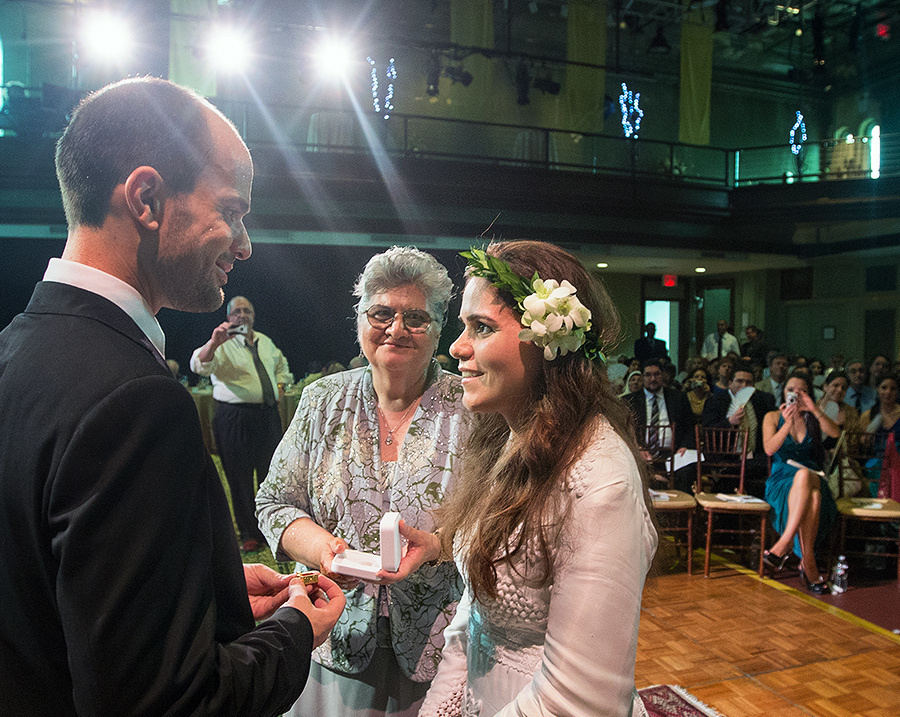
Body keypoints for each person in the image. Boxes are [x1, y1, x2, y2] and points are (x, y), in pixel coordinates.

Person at [0, 77, 345, 715]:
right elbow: (169, 702)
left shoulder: (18, 348)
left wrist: (200, 588)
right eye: (233, 211)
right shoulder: (135, 402)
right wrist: (295, 630)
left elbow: (45, 591)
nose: (244, 246)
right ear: (148, 198)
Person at [413, 241, 657, 717]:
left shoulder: (599, 481)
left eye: (481, 328)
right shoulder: (505, 441)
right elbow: (474, 615)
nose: (457, 348)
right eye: (463, 326)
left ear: (548, 345)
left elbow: (582, 700)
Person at [256, 246, 471, 717]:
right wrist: (321, 549)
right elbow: (274, 503)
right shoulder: (321, 401)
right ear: (359, 321)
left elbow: (496, 522)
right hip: (331, 628)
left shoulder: (470, 408)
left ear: (439, 330)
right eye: (381, 313)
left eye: (416, 318)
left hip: (440, 639)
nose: (396, 329)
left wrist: (435, 546)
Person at [191, 295, 293, 552]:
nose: (243, 315)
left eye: (247, 310)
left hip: (267, 415)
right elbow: (199, 365)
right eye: (237, 311)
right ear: (229, 317)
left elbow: (282, 366)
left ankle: (269, 528)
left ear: (253, 315)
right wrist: (214, 342)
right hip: (235, 417)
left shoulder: (266, 342)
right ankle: (249, 532)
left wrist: (280, 385)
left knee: (271, 473)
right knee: (239, 476)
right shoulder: (222, 343)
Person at [762, 372, 840, 593]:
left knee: (807, 476)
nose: (795, 394)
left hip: (814, 475)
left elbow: (835, 433)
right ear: (783, 392)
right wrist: (787, 424)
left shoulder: (813, 416)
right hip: (782, 480)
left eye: (801, 390)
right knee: (813, 496)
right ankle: (809, 564)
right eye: (790, 390)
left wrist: (813, 409)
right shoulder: (771, 416)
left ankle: (784, 544)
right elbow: (769, 449)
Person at [702, 362, 777, 494]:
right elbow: (707, 431)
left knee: (768, 466)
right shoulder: (715, 401)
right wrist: (729, 422)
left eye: (748, 383)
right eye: (739, 381)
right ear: (730, 383)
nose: (744, 386)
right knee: (735, 472)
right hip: (726, 456)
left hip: (755, 456)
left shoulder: (764, 400)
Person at [623, 359, 696, 492]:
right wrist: (637, 447)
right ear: (643, 377)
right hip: (642, 455)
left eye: (657, 374)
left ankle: (681, 511)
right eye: (648, 375)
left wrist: (684, 446)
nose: (653, 378)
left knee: (688, 471)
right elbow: (623, 431)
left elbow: (690, 427)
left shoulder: (678, 398)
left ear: (663, 375)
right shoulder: (630, 401)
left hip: (673, 455)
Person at [858, 375, 900, 500]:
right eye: (884, 388)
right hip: (877, 460)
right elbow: (864, 444)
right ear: (877, 390)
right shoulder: (868, 415)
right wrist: (867, 439)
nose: (888, 392)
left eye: (893, 389)